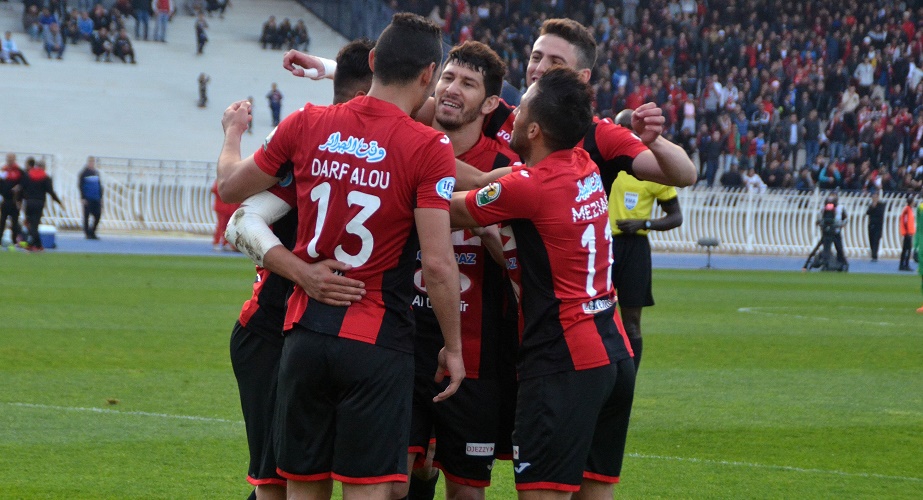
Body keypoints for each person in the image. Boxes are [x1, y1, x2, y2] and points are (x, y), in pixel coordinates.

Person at [217, 13, 464, 500]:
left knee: (300, 489)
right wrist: (453, 348)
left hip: (304, 334)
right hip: (377, 338)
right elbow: (437, 265)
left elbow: (230, 190)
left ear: (373, 61)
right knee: (370, 490)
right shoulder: (428, 145)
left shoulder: (307, 122)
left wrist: (231, 134)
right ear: (427, 77)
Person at [449, 66, 635, 498]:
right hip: (614, 352)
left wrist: (403, 159)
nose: (510, 118)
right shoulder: (584, 163)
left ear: (533, 129)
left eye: (522, 109)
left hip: (563, 358)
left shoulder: (528, 187)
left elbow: (450, 209)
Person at [224, 37, 375, 500]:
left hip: (328, 334)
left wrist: (330, 68)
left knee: (312, 474)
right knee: (277, 483)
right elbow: (239, 218)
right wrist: (303, 273)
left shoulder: (391, 142)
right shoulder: (313, 144)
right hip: (272, 330)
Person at [403, 41, 518, 500]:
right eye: (448, 78)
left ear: (490, 103)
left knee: (467, 491)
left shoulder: (508, 167)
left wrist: (496, 245)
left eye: (468, 84)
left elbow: (525, 265)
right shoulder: (406, 142)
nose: (452, 89)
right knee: (393, 482)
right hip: (402, 344)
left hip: (475, 354)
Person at [609, 108, 683, 373]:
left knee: (631, 323)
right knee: (592, 320)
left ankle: (627, 386)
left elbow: (675, 217)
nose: (626, 133)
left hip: (633, 248)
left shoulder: (650, 168)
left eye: (631, 128)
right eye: (621, 128)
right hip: (599, 245)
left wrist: (645, 224)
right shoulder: (599, 161)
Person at [21, 159, 64, 251]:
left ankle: (33, 244)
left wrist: (19, 201)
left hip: (29, 202)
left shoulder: (28, 175)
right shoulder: (46, 177)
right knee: (34, 225)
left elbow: (22, 188)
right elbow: (51, 192)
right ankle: (36, 245)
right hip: (39, 203)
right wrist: (59, 203)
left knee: (29, 224)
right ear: (44, 167)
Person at [1, 153, 25, 246]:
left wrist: (20, 200)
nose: (9, 160)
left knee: (14, 222)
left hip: (14, 201)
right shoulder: (3, 170)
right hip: (5, 200)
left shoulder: (19, 171)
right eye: (8, 158)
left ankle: (14, 241)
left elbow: (23, 185)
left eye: (11, 158)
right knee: (2, 221)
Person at [78, 156, 103, 240]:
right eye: (91, 162)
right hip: (88, 198)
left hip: (96, 198)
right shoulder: (83, 173)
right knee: (86, 216)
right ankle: (87, 233)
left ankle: (92, 231)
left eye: (93, 162)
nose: (92, 164)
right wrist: (83, 197)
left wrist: (101, 197)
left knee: (98, 215)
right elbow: (80, 186)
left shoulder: (96, 173)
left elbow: (99, 186)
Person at [210, 180, 237, 251]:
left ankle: (226, 243)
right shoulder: (220, 180)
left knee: (228, 226)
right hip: (222, 207)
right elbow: (215, 190)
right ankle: (217, 242)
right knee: (221, 225)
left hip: (230, 207)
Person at [866, 192, 885, 262]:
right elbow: (867, 212)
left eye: (875, 197)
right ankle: (873, 253)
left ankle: (874, 255)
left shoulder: (881, 205)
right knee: (871, 239)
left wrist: (875, 207)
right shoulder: (871, 205)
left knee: (876, 240)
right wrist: (873, 207)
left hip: (878, 225)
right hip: (871, 225)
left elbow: (880, 213)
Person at [900, 195, 916, 271]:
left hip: (908, 232)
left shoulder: (909, 209)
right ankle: (905, 264)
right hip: (907, 233)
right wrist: (907, 232)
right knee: (907, 249)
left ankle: (902, 264)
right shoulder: (907, 210)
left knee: (905, 249)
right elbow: (906, 221)